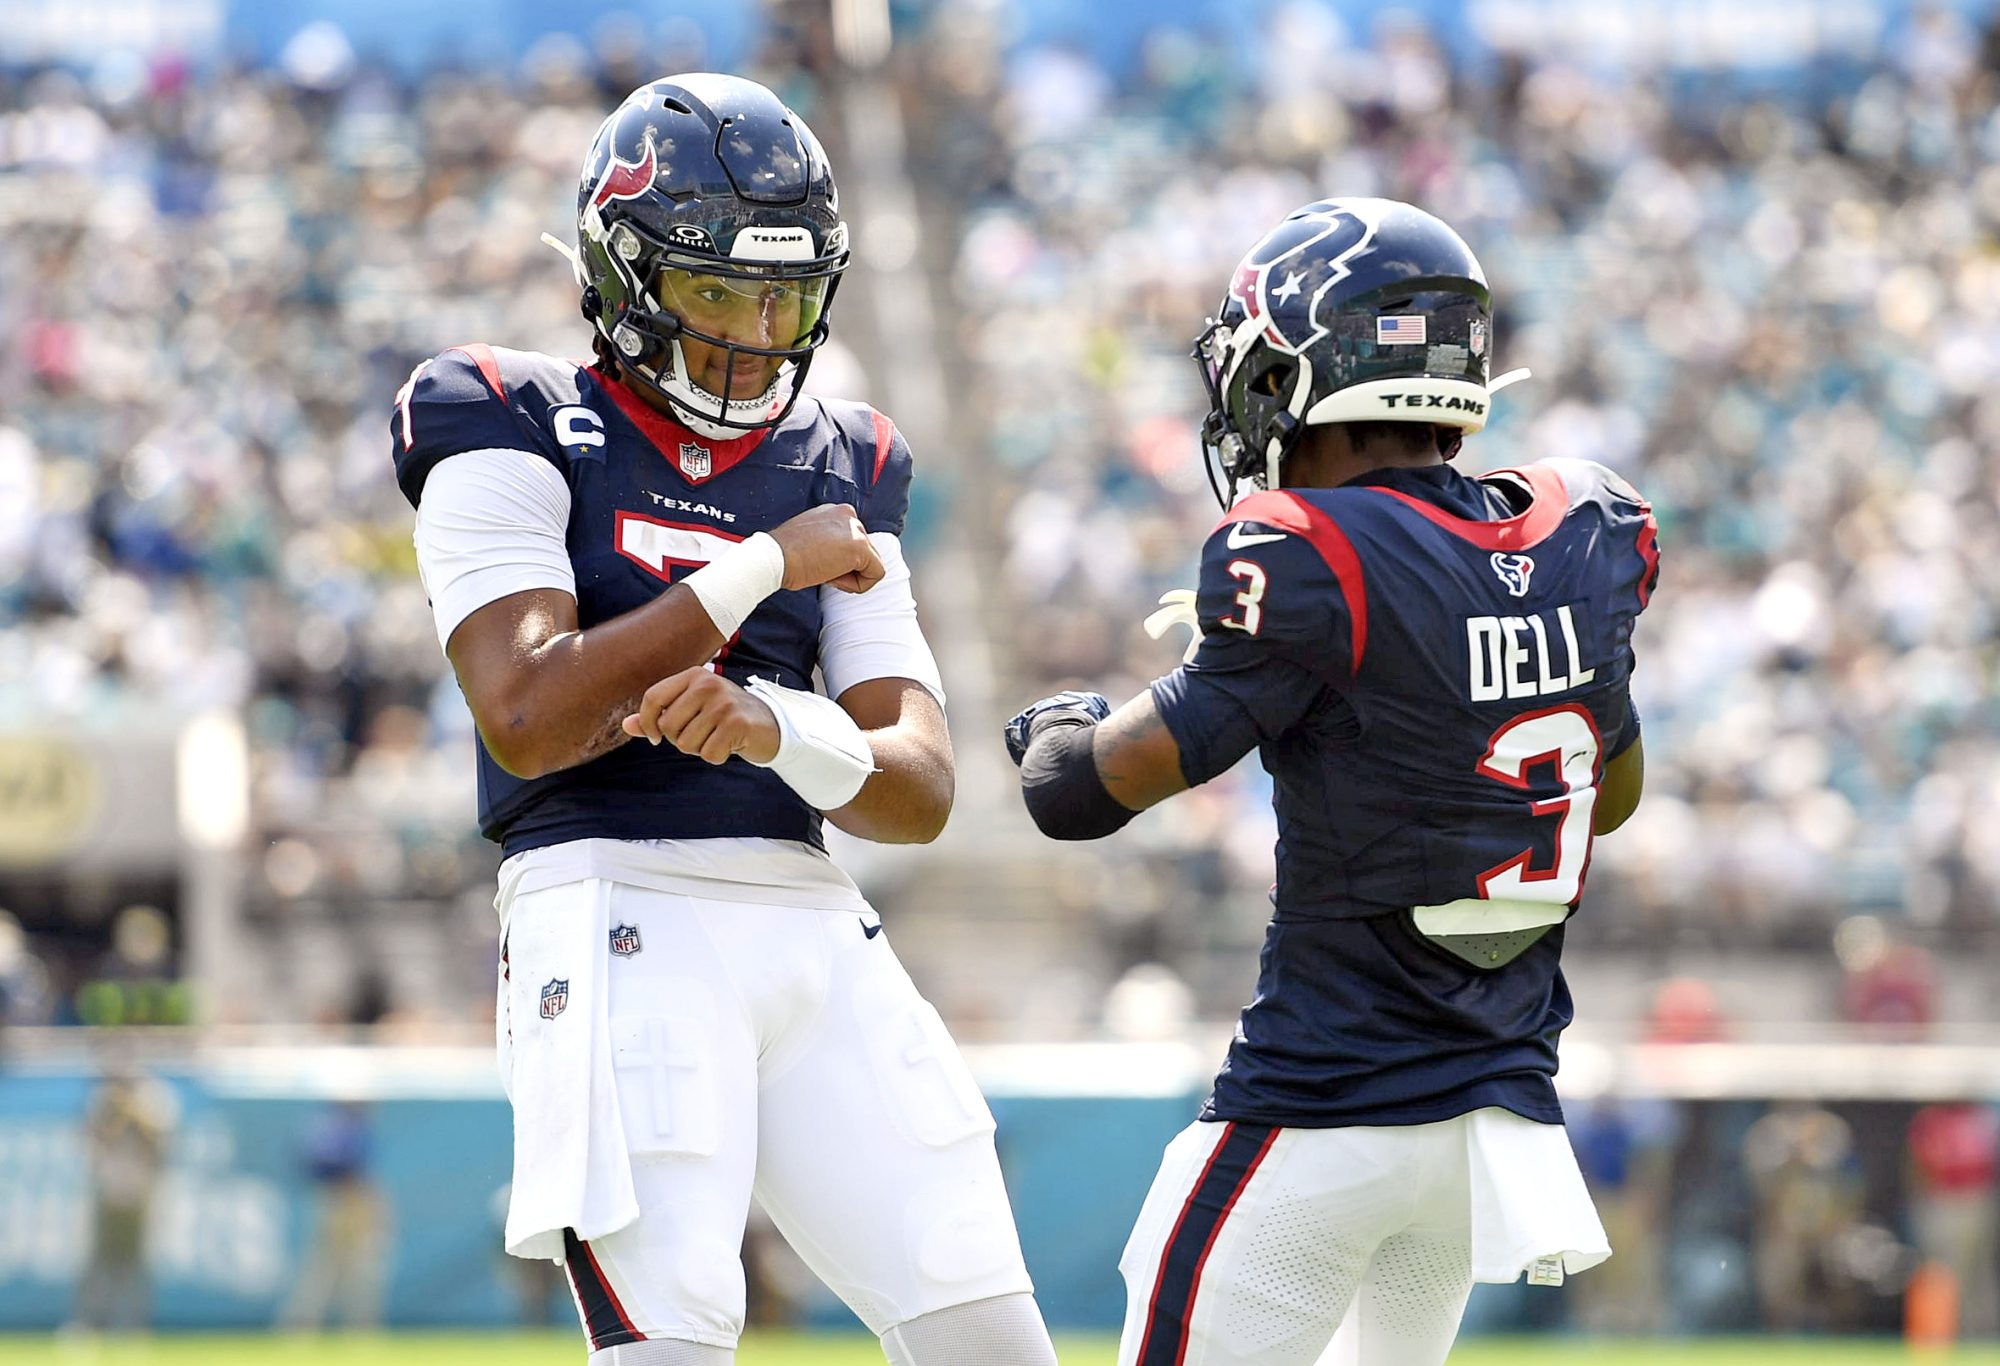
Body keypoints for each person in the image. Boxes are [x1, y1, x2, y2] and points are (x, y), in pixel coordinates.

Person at [391, 74, 1056, 1366]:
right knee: (673, 1340)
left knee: (989, 1334)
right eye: (716, 293)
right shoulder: (509, 416)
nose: (756, 336)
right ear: (622, 272)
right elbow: (527, 714)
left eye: (787, 297)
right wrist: (756, 570)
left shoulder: (845, 456)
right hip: (612, 899)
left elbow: (916, 788)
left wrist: (771, 726)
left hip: (816, 924)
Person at [1005, 198, 1659, 1366]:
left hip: (1321, 1109)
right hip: (1482, 1123)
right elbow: (1608, 794)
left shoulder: (1309, 549)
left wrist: (1058, 722)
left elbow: (1074, 794)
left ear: (1302, 378)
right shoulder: (1582, 529)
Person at [67, 1060, 178, 1334]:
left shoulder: (154, 1095)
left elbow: (162, 1142)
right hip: (108, 1188)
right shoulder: (103, 1098)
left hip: (141, 1190)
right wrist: (114, 1113)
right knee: (99, 1259)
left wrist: (134, 1111)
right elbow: (90, 1141)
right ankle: (90, 1323)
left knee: (135, 1261)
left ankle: (133, 1325)